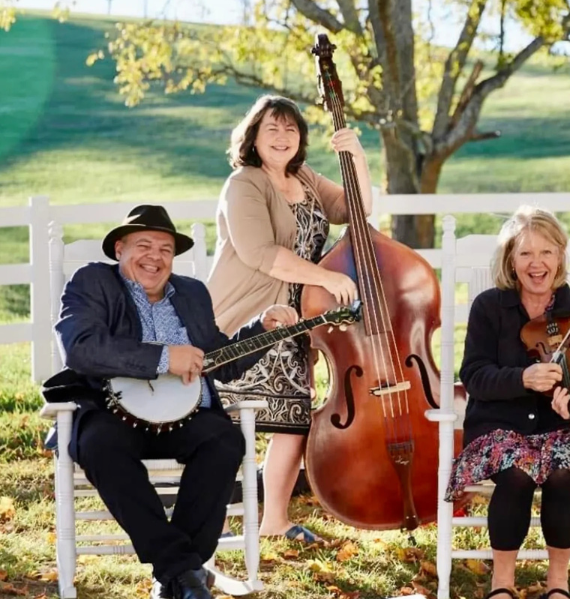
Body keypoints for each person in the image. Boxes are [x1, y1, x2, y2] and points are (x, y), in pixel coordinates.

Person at [43, 205, 298, 599]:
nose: (155, 257)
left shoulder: (192, 293)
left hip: (187, 415)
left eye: (165, 249)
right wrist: (165, 357)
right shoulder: (93, 282)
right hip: (110, 412)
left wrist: (260, 328)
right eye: (143, 245)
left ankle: (176, 578)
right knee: (98, 446)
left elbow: (218, 363)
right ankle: (184, 572)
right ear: (119, 249)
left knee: (225, 441)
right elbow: (81, 349)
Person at [207, 94, 373, 540]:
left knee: (292, 419)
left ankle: (274, 521)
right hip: (244, 316)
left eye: (290, 129)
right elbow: (260, 253)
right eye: (271, 129)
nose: (282, 137)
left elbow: (357, 209)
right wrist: (323, 277)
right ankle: (212, 520)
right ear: (253, 137)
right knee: (229, 422)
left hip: (297, 323)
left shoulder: (305, 178)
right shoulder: (244, 183)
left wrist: (356, 156)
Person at [445, 206, 570, 599]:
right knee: (516, 473)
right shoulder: (489, 308)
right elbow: (474, 374)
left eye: (547, 252)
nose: (537, 263)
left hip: (558, 429)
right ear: (511, 261)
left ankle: (558, 585)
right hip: (500, 426)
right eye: (526, 254)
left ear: (560, 257)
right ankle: (502, 584)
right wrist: (522, 378)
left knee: (562, 474)